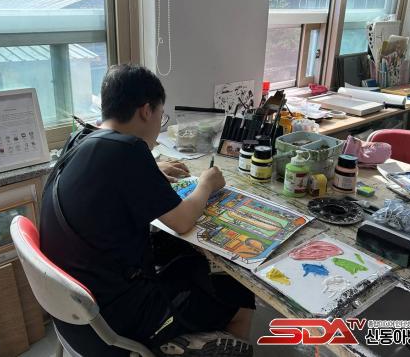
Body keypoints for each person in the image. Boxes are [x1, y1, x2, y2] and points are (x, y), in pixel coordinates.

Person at [39, 64, 255, 357]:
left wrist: (151, 169)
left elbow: (106, 180)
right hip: (115, 323)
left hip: (73, 313)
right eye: (160, 115)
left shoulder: (81, 138)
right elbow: (182, 220)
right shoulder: (129, 151)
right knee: (239, 294)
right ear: (146, 111)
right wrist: (207, 183)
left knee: (188, 260)